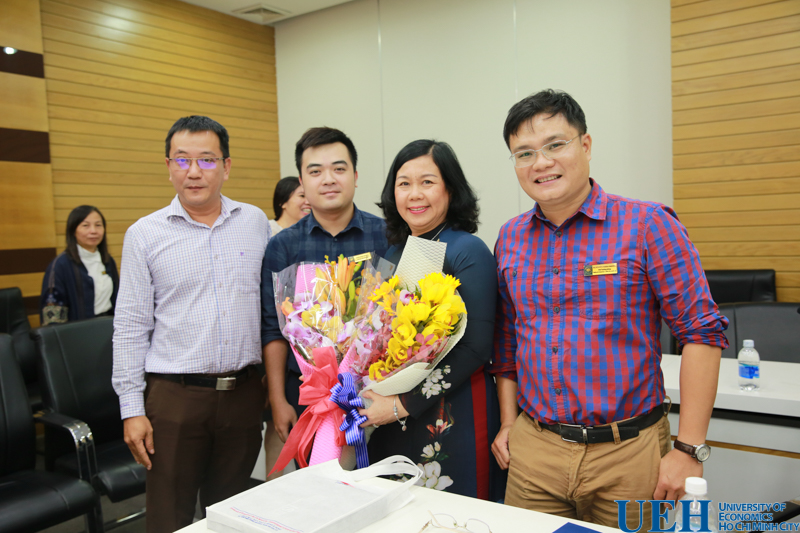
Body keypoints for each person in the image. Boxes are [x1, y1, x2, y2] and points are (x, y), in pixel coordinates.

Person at [489, 89, 728, 528]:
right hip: (535, 450)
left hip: (629, 452)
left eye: (555, 145)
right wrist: (508, 423)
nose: (541, 162)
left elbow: (702, 333)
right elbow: (507, 339)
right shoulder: (510, 237)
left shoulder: (648, 225)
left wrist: (689, 449)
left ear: (585, 145)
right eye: (524, 153)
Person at [112, 116, 270, 533]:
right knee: (170, 517)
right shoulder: (144, 234)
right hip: (174, 400)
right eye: (182, 160)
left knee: (233, 516)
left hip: (243, 396)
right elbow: (130, 327)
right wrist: (131, 409)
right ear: (169, 167)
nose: (194, 171)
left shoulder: (255, 223)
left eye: (207, 159)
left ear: (226, 166)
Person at [361, 139, 505, 501]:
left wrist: (401, 405)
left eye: (427, 182)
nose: (415, 194)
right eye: (404, 183)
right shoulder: (394, 251)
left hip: (452, 410)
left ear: (450, 190)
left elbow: (475, 348)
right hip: (392, 413)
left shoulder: (468, 250)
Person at [261, 127, 388, 443]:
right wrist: (278, 399)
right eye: (316, 171)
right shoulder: (283, 246)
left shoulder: (388, 236)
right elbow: (273, 330)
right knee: (317, 473)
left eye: (339, 169)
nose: (328, 179)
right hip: (306, 393)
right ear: (302, 182)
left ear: (355, 176)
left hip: (378, 391)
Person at [39, 205, 118, 323]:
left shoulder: (108, 260)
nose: (93, 231)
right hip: (77, 331)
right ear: (73, 231)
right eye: (85, 225)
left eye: (98, 225)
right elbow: (52, 318)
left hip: (109, 325)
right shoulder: (60, 265)